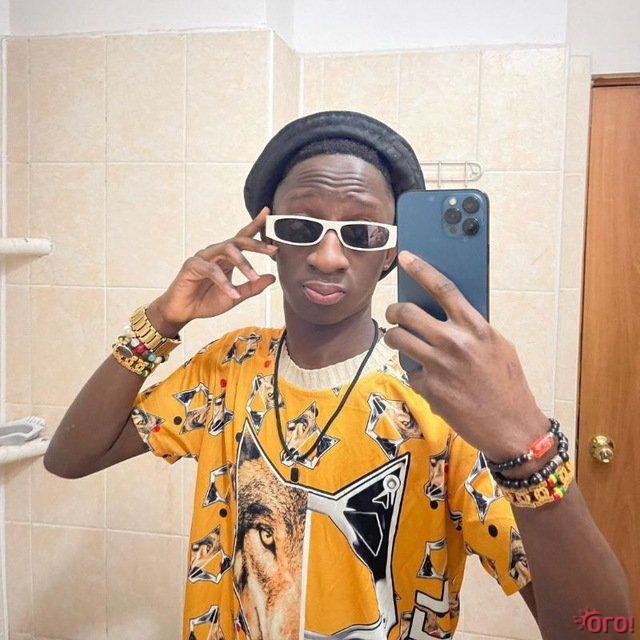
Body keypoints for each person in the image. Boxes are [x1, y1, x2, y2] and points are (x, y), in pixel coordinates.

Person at [44, 111, 631, 640]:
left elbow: (601, 630)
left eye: (362, 232)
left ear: (389, 255)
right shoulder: (229, 368)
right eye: (302, 226)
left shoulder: (442, 400)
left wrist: (525, 440)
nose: (328, 256)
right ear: (270, 239)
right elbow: (69, 457)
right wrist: (162, 320)